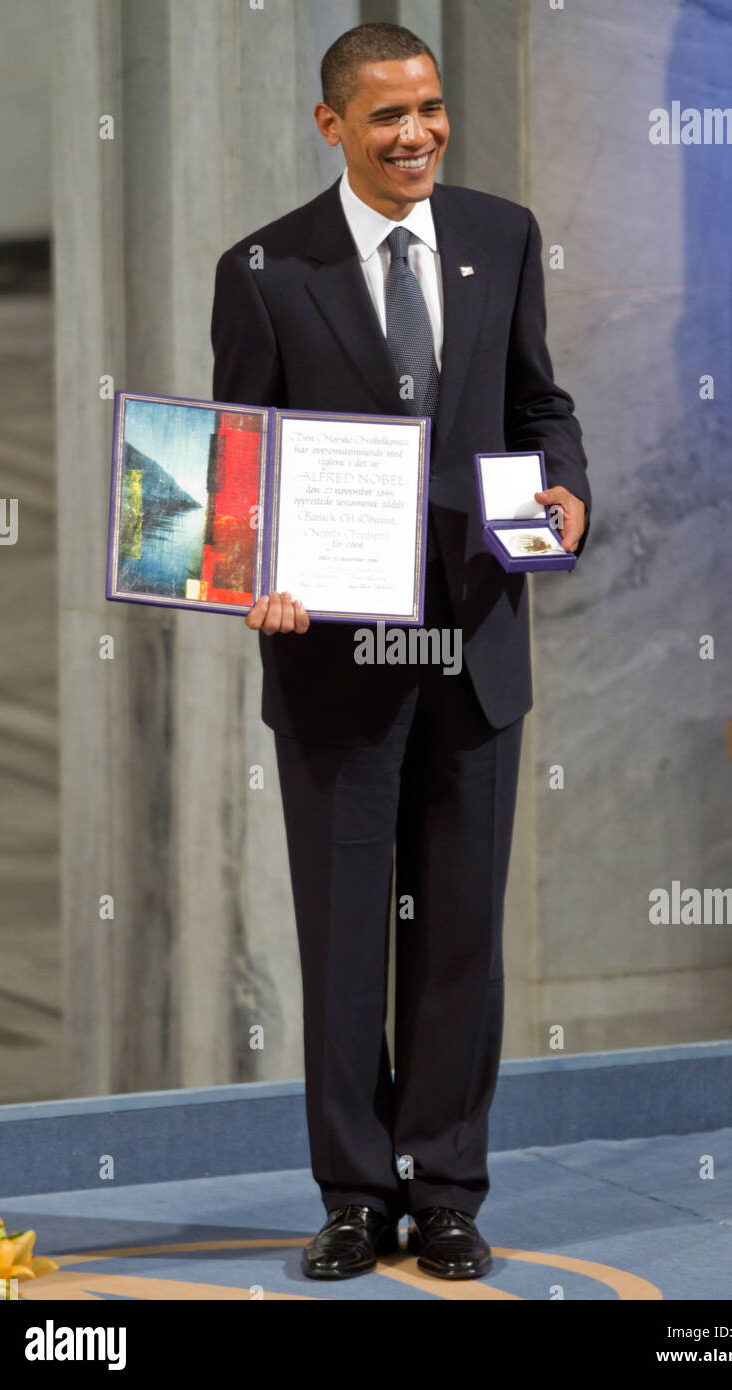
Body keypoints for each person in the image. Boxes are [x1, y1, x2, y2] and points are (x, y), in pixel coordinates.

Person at [210, 21, 590, 1282]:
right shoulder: (264, 267)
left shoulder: (502, 234)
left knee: (458, 941)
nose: (415, 133)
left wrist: (568, 493)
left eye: (427, 108)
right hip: (331, 666)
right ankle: (353, 1197)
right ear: (332, 126)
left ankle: (447, 1195)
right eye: (385, 117)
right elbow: (237, 470)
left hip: (474, 650)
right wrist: (254, 575)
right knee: (342, 943)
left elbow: (540, 404)